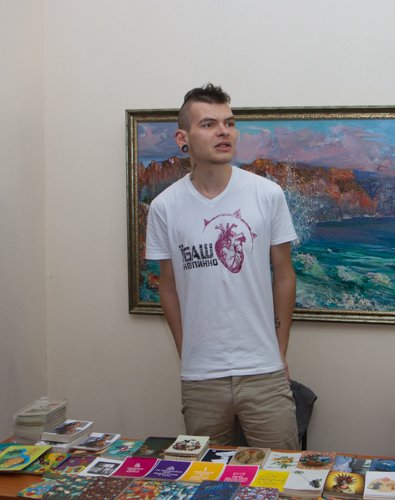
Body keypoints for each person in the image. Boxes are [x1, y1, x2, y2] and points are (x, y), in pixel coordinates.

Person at [145, 83, 299, 449]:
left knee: (281, 472)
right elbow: (167, 286)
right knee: (205, 474)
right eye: (209, 124)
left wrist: (278, 352)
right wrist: (187, 352)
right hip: (201, 378)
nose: (223, 131)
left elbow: (284, 274)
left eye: (229, 123)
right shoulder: (165, 206)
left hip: (264, 371)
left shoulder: (267, 194)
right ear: (183, 139)